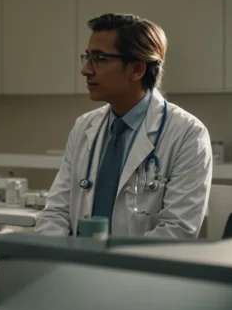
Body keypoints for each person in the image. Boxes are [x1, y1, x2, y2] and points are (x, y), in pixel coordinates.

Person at [35, 13, 212, 238]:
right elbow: (56, 213)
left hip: (139, 262)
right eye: (87, 58)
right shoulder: (84, 127)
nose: (86, 70)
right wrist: (61, 253)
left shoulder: (188, 134)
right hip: (75, 258)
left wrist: (115, 260)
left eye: (99, 59)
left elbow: (177, 230)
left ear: (137, 69)